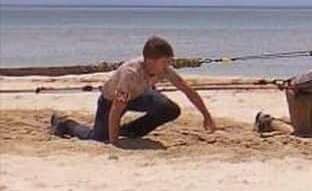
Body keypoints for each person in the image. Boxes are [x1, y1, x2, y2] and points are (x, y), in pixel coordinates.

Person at [51, 36, 216, 144]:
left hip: (139, 95)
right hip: (110, 100)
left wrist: (206, 116)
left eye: (169, 61)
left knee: (170, 110)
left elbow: (188, 91)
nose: (168, 65)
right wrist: (114, 143)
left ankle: (129, 131)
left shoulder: (165, 70)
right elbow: (116, 109)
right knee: (98, 138)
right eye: (165, 61)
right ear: (150, 61)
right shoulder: (130, 74)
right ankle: (65, 124)